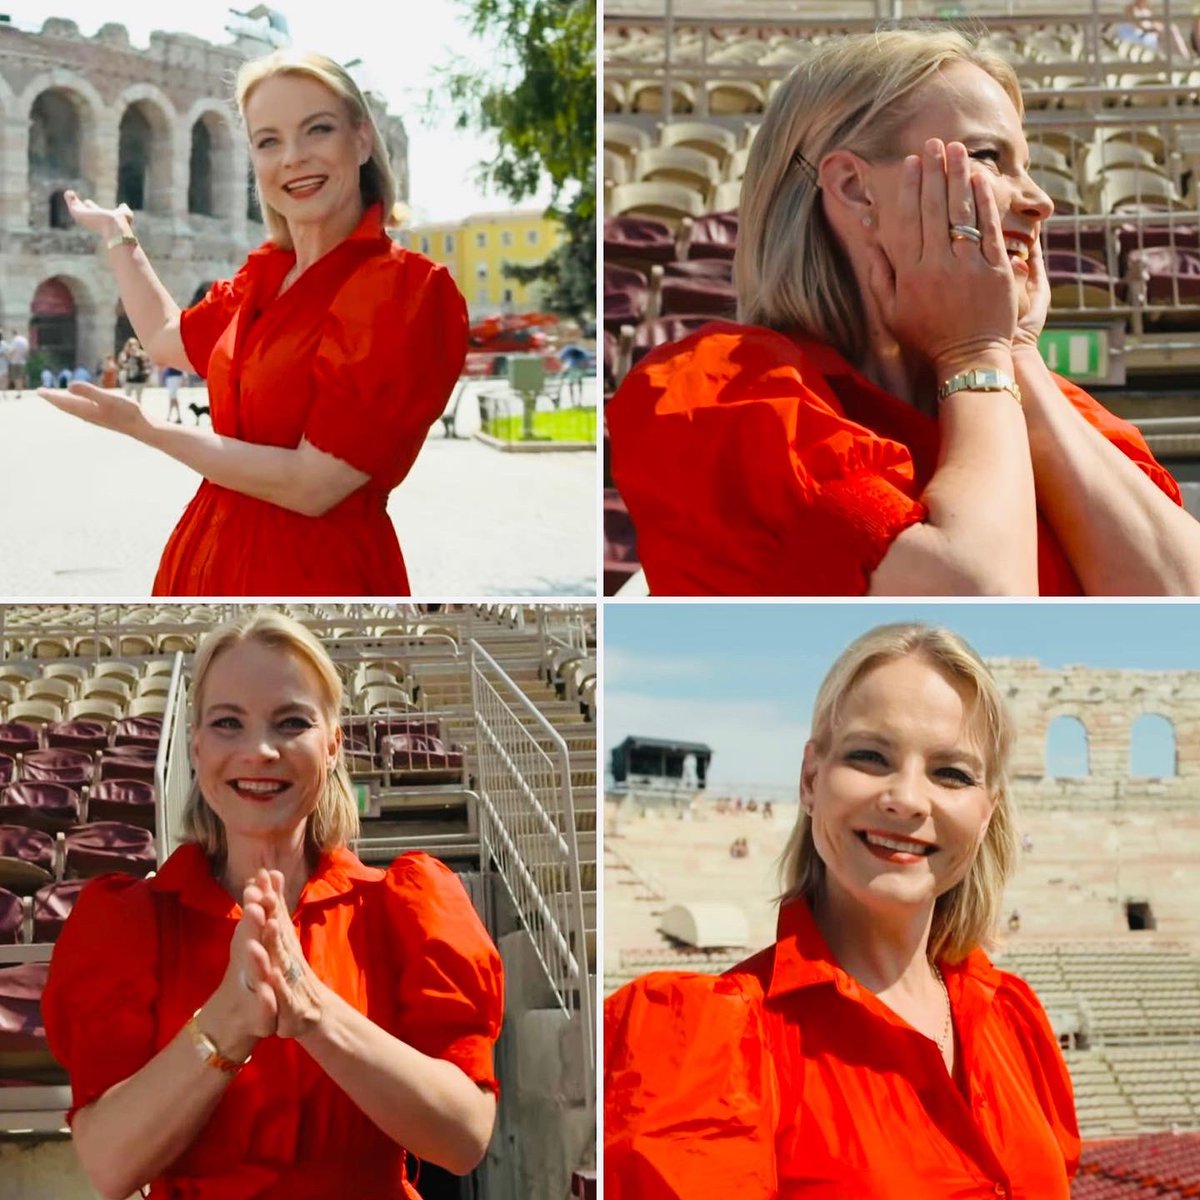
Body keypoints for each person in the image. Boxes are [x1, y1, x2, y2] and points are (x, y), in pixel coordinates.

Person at [605, 30, 1200, 596]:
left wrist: (1014, 353)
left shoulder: (1058, 406)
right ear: (855, 188)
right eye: (990, 158)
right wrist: (976, 355)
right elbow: (979, 606)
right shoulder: (721, 391)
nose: (1040, 201)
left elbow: (1182, 600)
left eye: (1028, 166)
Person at [605, 623, 1079, 1198]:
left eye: (950, 773)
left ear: (986, 812)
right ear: (811, 780)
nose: (905, 798)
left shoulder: (1014, 1019)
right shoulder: (716, 1045)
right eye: (870, 757)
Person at [42, 610, 503, 1199]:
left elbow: (463, 1138)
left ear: (333, 745)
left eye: (291, 723)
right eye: (228, 723)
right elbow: (109, 1166)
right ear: (196, 745)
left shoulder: (403, 908)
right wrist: (227, 1023)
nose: (259, 751)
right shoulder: (132, 923)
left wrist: (315, 1012)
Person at [38, 49, 468, 596]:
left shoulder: (405, 290)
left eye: (317, 129)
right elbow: (169, 340)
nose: (293, 157)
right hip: (207, 560)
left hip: (314, 575)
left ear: (361, 140)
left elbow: (314, 486)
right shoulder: (265, 277)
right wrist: (119, 234)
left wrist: (145, 430)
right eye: (268, 141)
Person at [118, 335, 151, 404]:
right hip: (129, 379)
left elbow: (147, 361)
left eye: (134, 344)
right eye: (130, 345)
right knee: (127, 398)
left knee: (138, 399)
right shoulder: (125, 354)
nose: (132, 346)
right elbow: (122, 364)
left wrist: (137, 354)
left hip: (140, 379)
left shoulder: (141, 353)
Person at [8, 328, 28, 396]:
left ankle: (18, 391)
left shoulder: (15, 340)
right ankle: (20, 390)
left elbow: (12, 351)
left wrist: (9, 358)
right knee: (21, 376)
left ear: (13, 334)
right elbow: (26, 351)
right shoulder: (24, 340)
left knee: (16, 377)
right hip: (22, 361)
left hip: (15, 361)